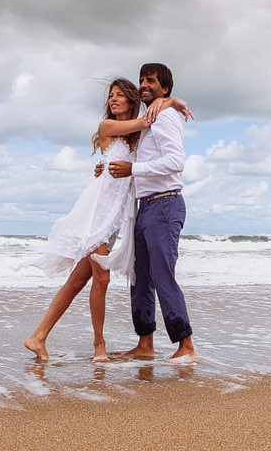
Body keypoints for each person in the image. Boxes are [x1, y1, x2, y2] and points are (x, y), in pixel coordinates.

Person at [24, 78, 153, 363]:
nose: (114, 99)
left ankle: (38, 337)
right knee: (102, 278)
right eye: (111, 96)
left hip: (113, 219)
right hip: (95, 214)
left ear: (131, 101)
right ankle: (99, 346)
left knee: (78, 280)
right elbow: (145, 122)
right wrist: (174, 102)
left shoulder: (135, 139)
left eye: (120, 95)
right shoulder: (107, 127)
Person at [102, 62, 197, 364]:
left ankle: (186, 345)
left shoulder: (165, 117)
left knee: (162, 273)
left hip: (166, 204)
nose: (144, 84)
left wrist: (135, 169)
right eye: (142, 79)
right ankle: (145, 343)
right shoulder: (150, 117)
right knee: (139, 276)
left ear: (164, 88)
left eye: (151, 81)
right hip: (145, 207)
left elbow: (175, 162)